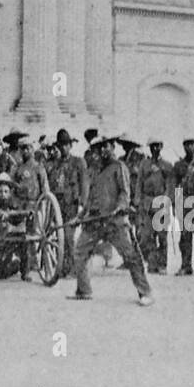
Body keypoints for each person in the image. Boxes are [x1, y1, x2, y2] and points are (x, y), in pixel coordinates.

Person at [69, 135, 153, 305]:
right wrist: (80, 217)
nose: (101, 151)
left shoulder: (119, 167)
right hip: (94, 220)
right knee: (79, 252)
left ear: (112, 147)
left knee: (130, 256)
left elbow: (124, 192)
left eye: (105, 146)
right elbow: (90, 198)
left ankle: (145, 293)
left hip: (115, 221)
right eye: (98, 148)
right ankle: (83, 290)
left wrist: (120, 206)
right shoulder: (94, 170)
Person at [50, 130, 87, 275]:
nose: (63, 148)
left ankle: (73, 267)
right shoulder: (56, 164)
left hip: (71, 203)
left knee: (68, 236)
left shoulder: (78, 162)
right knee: (60, 237)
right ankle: (64, 266)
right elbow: (53, 184)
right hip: (58, 205)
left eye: (66, 145)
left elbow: (84, 183)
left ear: (70, 146)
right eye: (61, 145)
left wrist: (82, 203)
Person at [171, 137, 194, 275]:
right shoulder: (179, 165)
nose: (190, 147)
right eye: (187, 145)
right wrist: (176, 204)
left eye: (192, 145)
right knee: (185, 237)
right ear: (184, 147)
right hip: (184, 203)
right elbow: (175, 185)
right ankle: (185, 265)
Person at [137, 138, 171, 275]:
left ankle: (162, 264)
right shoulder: (144, 164)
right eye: (152, 146)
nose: (155, 149)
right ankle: (152, 263)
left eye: (157, 146)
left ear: (162, 146)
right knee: (147, 236)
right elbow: (139, 183)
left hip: (161, 201)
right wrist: (138, 200)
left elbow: (170, 185)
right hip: (147, 202)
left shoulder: (167, 165)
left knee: (162, 236)